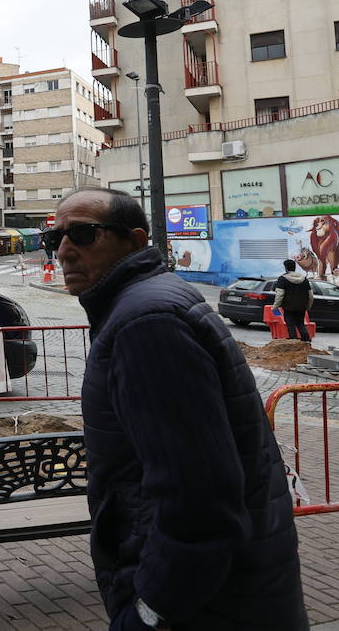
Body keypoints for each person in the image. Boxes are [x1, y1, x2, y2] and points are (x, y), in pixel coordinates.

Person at [50, 187, 306, 630]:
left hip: (212, 607)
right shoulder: (145, 306)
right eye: (54, 238)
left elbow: (200, 502)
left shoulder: (146, 324)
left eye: (84, 235)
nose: (65, 251)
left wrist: (150, 611)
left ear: (133, 240)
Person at [273, 259, 313, 342]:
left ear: (286, 268)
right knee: (301, 324)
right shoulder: (304, 279)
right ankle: (307, 341)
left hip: (288, 307)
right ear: (295, 267)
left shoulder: (283, 279)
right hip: (301, 306)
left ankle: (294, 341)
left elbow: (280, 294)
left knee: (290, 325)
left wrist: (275, 307)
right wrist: (308, 306)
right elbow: (310, 295)